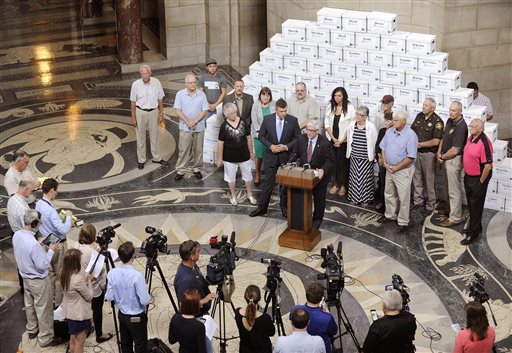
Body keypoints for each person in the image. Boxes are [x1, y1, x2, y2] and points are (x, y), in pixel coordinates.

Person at [12, 209, 62, 347]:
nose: (40, 225)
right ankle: (46, 338)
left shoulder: (17, 235)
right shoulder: (33, 244)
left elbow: (25, 252)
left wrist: (39, 246)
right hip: (38, 281)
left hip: (25, 278)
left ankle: (32, 329)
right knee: (43, 309)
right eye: (39, 222)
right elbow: (43, 265)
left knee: (29, 305)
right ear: (34, 223)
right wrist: (51, 249)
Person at [249, 99, 301, 218]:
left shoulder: (293, 120)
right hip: (271, 156)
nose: (284, 113)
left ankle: (284, 208)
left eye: (285, 111)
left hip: (286, 157)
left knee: (285, 185)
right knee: (268, 183)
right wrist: (270, 146)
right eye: (281, 111)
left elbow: (298, 138)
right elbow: (261, 136)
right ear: (276, 110)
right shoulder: (268, 120)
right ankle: (262, 208)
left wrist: (286, 147)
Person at [105, 241, 150, 353]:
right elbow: (144, 300)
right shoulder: (137, 276)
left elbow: (109, 296)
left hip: (122, 315)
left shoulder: (112, 273)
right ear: (132, 257)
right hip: (137, 316)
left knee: (125, 345)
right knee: (140, 346)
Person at [35, 178, 74, 307]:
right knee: (60, 274)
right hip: (58, 244)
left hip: (47, 241)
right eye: (56, 190)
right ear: (51, 190)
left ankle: (51, 299)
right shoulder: (51, 211)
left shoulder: (39, 203)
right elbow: (64, 229)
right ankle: (59, 303)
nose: (57, 193)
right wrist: (68, 217)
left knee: (51, 273)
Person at [379, 110, 418, 234]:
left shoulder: (411, 135)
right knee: (389, 193)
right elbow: (383, 148)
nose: (393, 122)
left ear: (404, 121)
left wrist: (397, 167)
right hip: (389, 168)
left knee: (403, 197)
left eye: (396, 120)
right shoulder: (390, 131)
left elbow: (411, 157)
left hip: (402, 171)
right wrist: (385, 163)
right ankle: (390, 215)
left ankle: (403, 221)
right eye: (393, 119)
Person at [292, 120, 334, 229]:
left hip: (319, 178)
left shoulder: (325, 142)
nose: (308, 133)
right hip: (303, 176)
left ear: (317, 130)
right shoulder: (301, 139)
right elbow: (295, 154)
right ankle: (300, 220)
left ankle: (316, 223)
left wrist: (322, 170)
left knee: (319, 201)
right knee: (301, 199)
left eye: (311, 131)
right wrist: (289, 164)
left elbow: (329, 161)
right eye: (307, 130)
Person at [76, 224, 113, 343]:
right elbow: (100, 270)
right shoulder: (91, 251)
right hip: (94, 286)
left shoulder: (77, 245)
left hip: (80, 282)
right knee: (97, 309)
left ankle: (86, 329)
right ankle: (99, 334)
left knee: (86, 307)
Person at [217, 102, 257, 206]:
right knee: (231, 178)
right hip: (229, 158)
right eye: (231, 114)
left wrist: (251, 152)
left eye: (235, 112)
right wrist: (220, 159)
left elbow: (248, 138)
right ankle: (233, 196)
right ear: (226, 115)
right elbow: (220, 143)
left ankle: (249, 194)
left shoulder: (243, 122)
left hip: (244, 156)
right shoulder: (223, 126)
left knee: (248, 176)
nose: (234, 115)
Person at [130, 64, 168, 170]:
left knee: (154, 135)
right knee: (140, 137)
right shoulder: (135, 85)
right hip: (140, 112)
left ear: (150, 73)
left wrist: (161, 114)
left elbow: (160, 99)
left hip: (153, 111)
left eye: (146, 73)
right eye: (143, 73)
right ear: (140, 74)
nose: (144, 75)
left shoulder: (156, 82)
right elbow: (133, 102)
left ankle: (156, 157)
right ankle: (141, 160)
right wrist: (133, 118)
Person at [461, 119, 493, 245]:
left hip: (478, 178)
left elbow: (488, 166)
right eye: (470, 126)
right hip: (468, 176)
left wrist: (480, 183)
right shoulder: (471, 137)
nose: (470, 128)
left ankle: (473, 233)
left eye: (473, 127)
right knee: (471, 204)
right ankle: (476, 227)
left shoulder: (485, 142)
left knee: (476, 206)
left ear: (481, 128)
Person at [411, 98, 444, 216]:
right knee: (417, 177)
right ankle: (418, 201)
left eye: (426, 105)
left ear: (432, 108)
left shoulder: (437, 121)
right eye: (423, 104)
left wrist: (420, 144)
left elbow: (436, 141)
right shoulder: (419, 116)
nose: (423, 107)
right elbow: (412, 132)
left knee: (430, 180)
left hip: (428, 154)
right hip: (416, 153)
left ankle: (431, 204)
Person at [437, 101, 468, 228]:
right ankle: (450, 209)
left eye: (454, 110)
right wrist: (439, 152)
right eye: (450, 110)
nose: (451, 112)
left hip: (453, 160)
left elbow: (455, 150)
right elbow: (444, 138)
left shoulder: (461, 126)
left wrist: (442, 157)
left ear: (460, 112)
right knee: (448, 187)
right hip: (445, 157)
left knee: (454, 190)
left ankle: (455, 217)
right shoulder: (450, 121)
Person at [174, 73, 209, 181]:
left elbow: (204, 110)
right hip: (185, 126)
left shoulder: (202, 94)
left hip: (199, 126)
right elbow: (177, 110)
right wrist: (188, 121)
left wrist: (195, 121)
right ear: (185, 84)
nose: (193, 85)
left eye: (194, 82)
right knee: (184, 149)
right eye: (190, 83)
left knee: (198, 149)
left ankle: (196, 168)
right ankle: (180, 170)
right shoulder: (180, 94)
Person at [60, 248, 93, 353]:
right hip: (79, 315)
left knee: (73, 338)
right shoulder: (77, 279)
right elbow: (89, 296)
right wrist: (89, 281)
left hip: (69, 312)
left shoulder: (62, 272)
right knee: (80, 341)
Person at [324, 87, 355, 197]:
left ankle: (343, 185)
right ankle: (336, 183)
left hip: (344, 141)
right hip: (332, 140)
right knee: (334, 163)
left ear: (344, 96)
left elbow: (351, 126)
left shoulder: (350, 108)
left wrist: (341, 140)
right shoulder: (330, 106)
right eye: (335, 95)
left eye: (339, 96)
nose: (337, 98)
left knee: (343, 164)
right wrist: (333, 139)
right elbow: (326, 123)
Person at [346, 106, 378, 208]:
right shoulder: (351, 125)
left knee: (365, 179)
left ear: (366, 116)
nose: (358, 116)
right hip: (354, 156)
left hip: (366, 158)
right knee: (355, 178)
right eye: (357, 114)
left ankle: (365, 199)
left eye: (361, 115)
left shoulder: (371, 127)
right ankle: (354, 198)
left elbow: (375, 142)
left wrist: (375, 157)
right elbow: (349, 139)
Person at [174, 240, 216, 315]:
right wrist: (205, 300)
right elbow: (185, 305)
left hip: (201, 310)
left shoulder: (193, 265)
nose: (199, 254)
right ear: (192, 256)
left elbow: (198, 281)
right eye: (198, 252)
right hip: (196, 316)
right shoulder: (185, 280)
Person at [291, 283, 337, 353]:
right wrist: (327, 312)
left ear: (306, 295)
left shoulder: (295, 309)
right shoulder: (327, 318)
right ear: (322, 298)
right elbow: (334, 332)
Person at [235, 285, 275, 353]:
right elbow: (272, 332)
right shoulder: (265, 318)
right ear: (259, 299)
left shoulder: (237, 312)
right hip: (263, 350)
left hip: (244, 350)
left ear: (245, 298)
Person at [251, 87, 276, 186]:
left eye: (268, 95)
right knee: (259, 156)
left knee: (270, 157)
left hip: (270, 135)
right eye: (263, 95)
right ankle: (257, 174)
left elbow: (275, 119)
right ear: (260, 95)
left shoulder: (274, 104)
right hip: (259, 135)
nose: (265, 97)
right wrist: (261, 134)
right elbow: (254, 121)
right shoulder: (255, 105)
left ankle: (270, 177)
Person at [374, 112, 394, 211]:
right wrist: (380, 158)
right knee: (382, 182)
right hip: (382, 161)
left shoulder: (395, 131)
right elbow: (378, 146)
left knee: (390, 184)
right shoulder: (382, 131)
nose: (386, 122)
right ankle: (382, 202)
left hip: (392, 162)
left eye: (388, 120)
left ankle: (391, 205)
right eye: (385, 120)